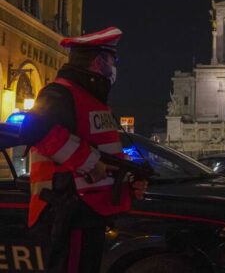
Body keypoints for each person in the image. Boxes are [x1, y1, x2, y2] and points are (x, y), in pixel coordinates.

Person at [20, 27, 148, 273]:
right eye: (113, 60)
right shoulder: (60, 93)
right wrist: (90, 162)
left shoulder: (91, 100)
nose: (115, 67)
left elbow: (105, 157)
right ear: (99, 62)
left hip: (87, 214)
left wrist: (128, 184)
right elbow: (35, 130)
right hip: (66, 214)